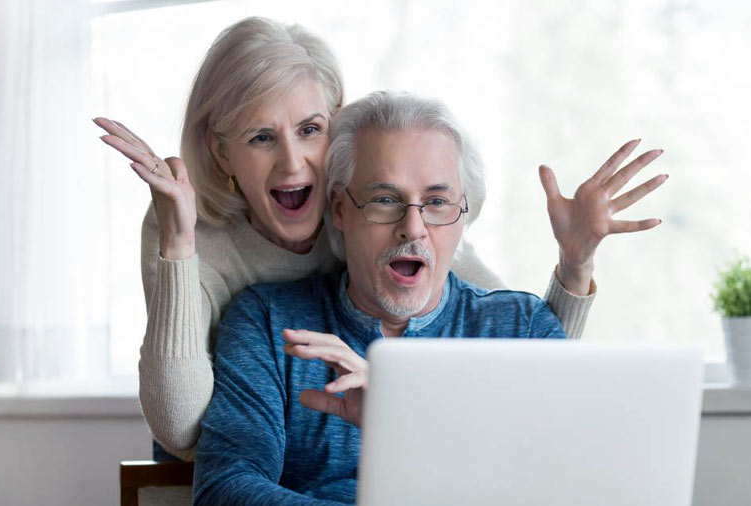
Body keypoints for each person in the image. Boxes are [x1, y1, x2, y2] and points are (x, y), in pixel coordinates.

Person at [93, 17, 658, 461]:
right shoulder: (200, 240)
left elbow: (514, 344)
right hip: (225, 431)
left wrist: (575, 264)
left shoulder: (401, 219)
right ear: (222, 152)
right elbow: (182, 429)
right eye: (261, 136)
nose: (294, 163)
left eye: (311, 130)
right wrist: (177, 243)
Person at [191, 90, 665, 505]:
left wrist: (405, 420)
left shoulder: (521, 328)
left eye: (437, 202)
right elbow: (223, 488)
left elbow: (568, 487)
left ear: (463, 215)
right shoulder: (268, 322)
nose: (412, 227)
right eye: (384, 199)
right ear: (340, 209)